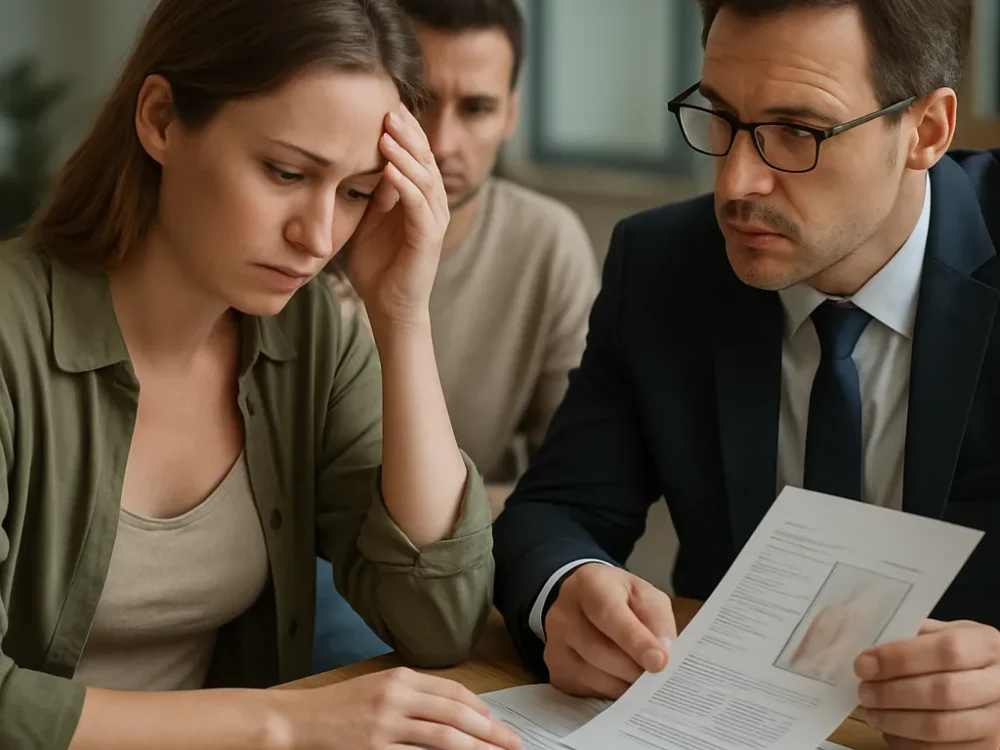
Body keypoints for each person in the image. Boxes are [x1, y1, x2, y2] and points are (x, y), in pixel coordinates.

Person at [0, 1, 523, 749]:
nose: (316, 237)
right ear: (161, 120)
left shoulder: (310, 337)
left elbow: (439, 619)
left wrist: (402, 319)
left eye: (354, 193)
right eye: (285, 172)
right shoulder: (9, 338)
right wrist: (282, 722)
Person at [493, 1, 1000, 749]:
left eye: (798, 132)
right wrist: (565, 590)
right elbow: (556, 511)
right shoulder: (663, 265)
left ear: (926, 130)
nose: (737, 182)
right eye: (721, 116)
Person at [314, 0, 599, 671]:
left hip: (480, 562)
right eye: (418, 103)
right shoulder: (311, 234)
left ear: (511, 113)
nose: (442, 142)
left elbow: (573, 481)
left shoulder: (546, 241)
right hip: (326, 565)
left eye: (475, 108)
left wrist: (473, 514)